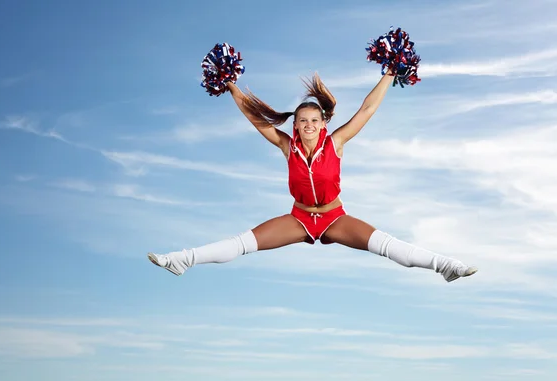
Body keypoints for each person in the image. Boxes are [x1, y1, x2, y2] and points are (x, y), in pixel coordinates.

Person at [148, 70, 478, 283]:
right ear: (295, 126)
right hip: (300, 219)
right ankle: (182, 260)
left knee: (386, 246)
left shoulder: (336, 142)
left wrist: (390, 73)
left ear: (323, 124)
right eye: (302, 121)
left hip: (334, 218)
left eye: (314, 121)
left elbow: (366, 110)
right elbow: (256, 118)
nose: (308, 126)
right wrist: (230, 82)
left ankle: (445, 265)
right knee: (242, 243)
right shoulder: (286, 146)